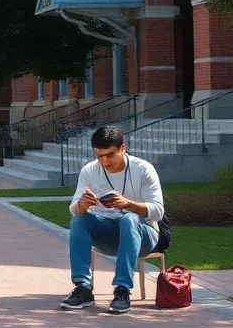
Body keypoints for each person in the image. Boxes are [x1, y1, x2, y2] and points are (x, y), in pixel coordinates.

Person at [61, 125, 165, 315]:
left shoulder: (143, 169)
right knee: (79, 219)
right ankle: (83, 288)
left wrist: (128, 204)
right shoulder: (90, 170)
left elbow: (158, 211)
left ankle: (122, 290)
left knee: (129, 219)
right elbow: (74, 207)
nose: (104, 161)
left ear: (122, 148)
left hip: (144, 235)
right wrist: (82, 205)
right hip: (108, 235)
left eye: (109, 155)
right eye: (99, 156)